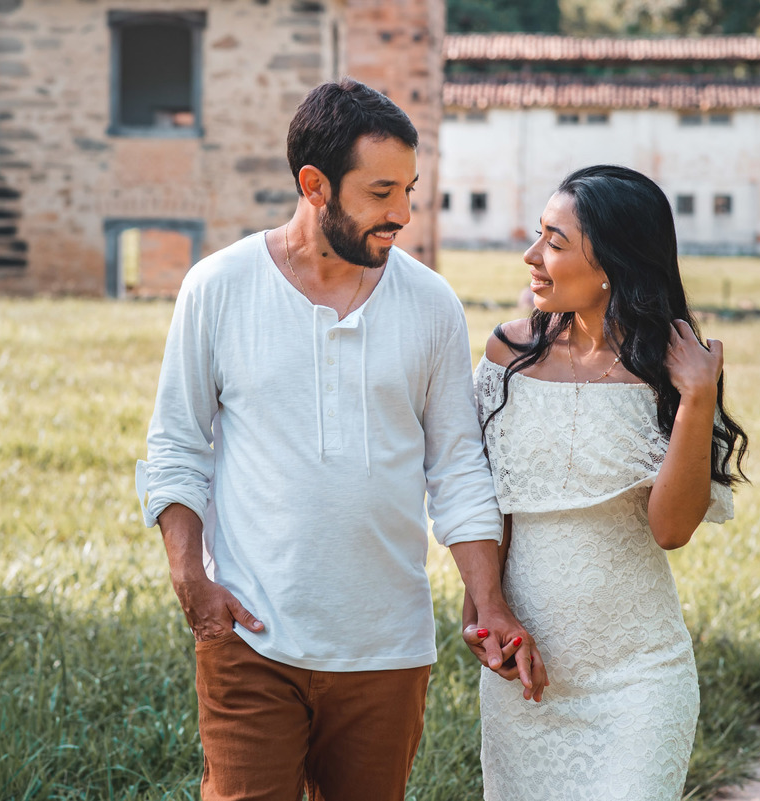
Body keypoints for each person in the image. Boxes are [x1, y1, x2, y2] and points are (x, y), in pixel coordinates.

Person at [136, 78, 544, 801]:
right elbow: (177, 444)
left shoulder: (431, 304)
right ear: (314, 185)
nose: (402, 214)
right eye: (381, 192)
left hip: (387, 649)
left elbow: (457, 466)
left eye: (409, 190)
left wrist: (488, 600)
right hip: (251, 637)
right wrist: (190, 578)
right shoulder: (218, 286)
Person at [462, 164, 749, 799]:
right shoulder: (507, 356)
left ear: (612, 265)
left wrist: (697, 398)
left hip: (640, 678)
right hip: (525, 674)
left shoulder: (676, 372)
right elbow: (487, 500)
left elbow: (671, 530)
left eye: (555, 242)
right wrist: (482, 614)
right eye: (539, 235)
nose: (532, 256)